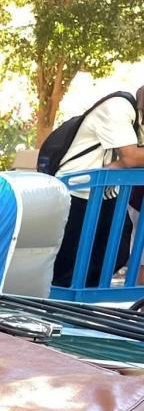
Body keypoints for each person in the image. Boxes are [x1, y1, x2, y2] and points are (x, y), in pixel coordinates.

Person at [52, 85, 144, 288]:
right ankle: (62, 307)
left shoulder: (139, 118)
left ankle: (84, 302)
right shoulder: (118, 106)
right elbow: (131, 157)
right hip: (77, 192)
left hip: (106, 194)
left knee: (116, 252)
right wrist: (125, 162)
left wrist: (122, 163)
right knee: (68, 266)